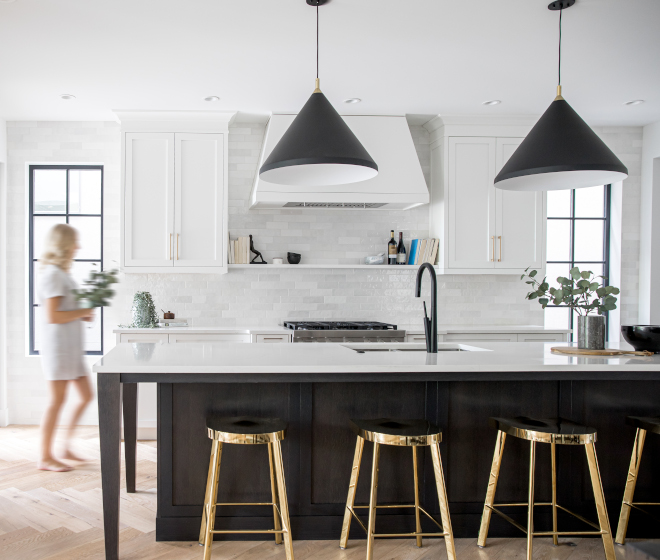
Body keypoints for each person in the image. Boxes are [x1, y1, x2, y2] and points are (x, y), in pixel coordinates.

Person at [37, 224, 95, 472]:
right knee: (57, 401)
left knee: (86, 396)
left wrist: (82, 315)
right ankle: (45, 457)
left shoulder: (62, 274)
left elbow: (65, 311)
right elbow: (53, 316)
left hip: (71, 349)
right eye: (75, 242)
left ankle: (65, 447)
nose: (78, 247)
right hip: (58, 349)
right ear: (63, 245)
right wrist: (83, 311)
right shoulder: (52, 274)